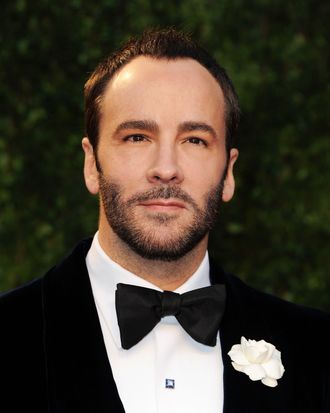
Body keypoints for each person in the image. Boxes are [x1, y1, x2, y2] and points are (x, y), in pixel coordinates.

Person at [1, 28, 329, 413]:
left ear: (229, 172)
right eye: (137, 137)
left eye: (194, 140)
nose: (166, 169)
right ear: (91, 164)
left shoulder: (317, 350)